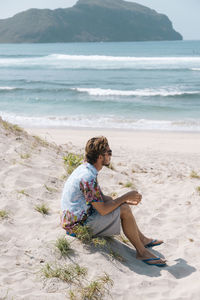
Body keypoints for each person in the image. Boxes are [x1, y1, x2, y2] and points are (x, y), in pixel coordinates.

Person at [61, 136, 166, 266]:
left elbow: (101, 198)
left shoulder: (85, 168)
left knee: (119, 204)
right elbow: (103, 210)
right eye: (109, 153)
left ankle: (143, 240)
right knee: (124, 209)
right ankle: (141, 252)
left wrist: (122, 201)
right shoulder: (87, 177)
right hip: (78, 227)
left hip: (74, 220)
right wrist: (125, 197)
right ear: (100, 157)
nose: (110, 156)